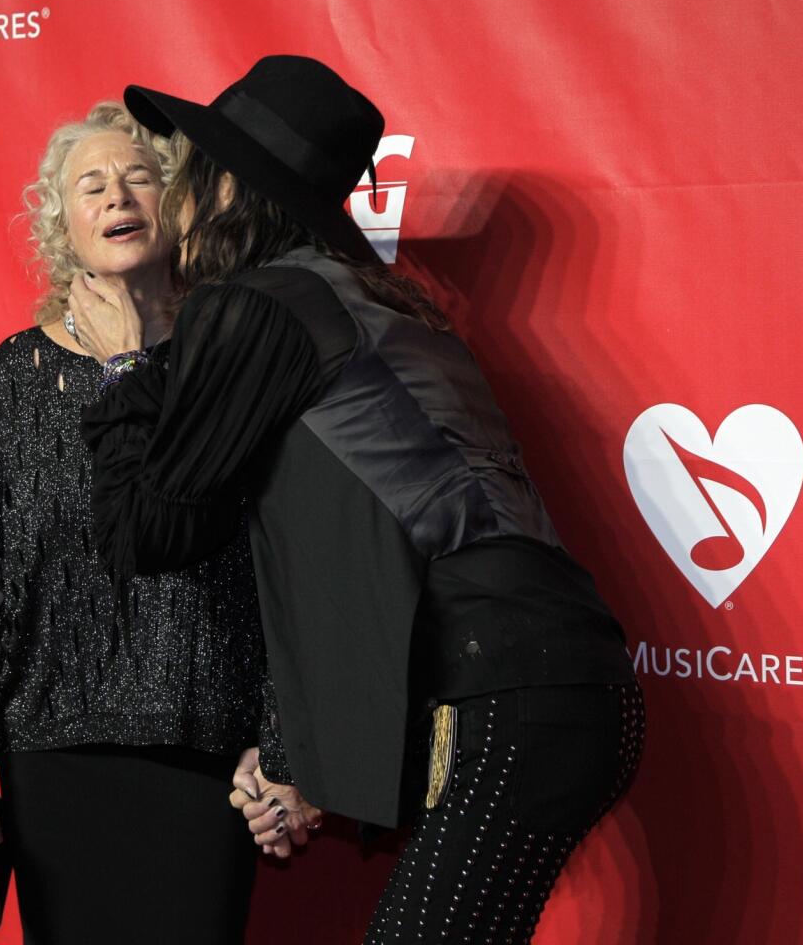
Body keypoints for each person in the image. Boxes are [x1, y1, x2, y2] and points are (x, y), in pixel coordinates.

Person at [70, 57, 645, 943]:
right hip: (549, 684)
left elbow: (148, 530)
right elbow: (351, 543)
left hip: (506, 690)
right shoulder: (356, 297)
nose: (170, 192)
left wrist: (124, 362)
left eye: (185, 169)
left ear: (223, 190)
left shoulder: (261, 308)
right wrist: (299, 747)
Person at [0, 102, 272, 945]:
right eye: (91, 185)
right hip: (51, 754)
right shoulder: (18, 372)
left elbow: (275, 563)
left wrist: (278, 739)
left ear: (177, 205)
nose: (117, 195)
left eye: (139, 176)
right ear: (64, 228)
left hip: (203, 748)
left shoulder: (227, 353)